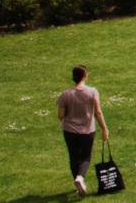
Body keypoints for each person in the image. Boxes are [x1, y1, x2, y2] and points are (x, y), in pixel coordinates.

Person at [58, 64, 108, 197]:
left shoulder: (66, 94)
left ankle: (77, 182)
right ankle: (80, 178)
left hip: (69, 131)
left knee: (74, 156)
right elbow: (97, 112)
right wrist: (104, 129)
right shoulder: (92, 92)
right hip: (87, 130)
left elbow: (60, 115)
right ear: (85, 76)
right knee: (86, 156)